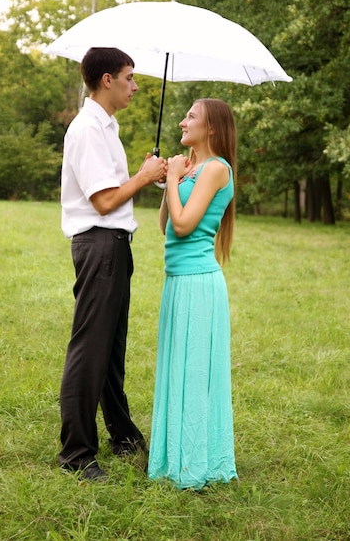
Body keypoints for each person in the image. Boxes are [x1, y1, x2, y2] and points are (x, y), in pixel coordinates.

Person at [59, 47, 167, 481]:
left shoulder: (108, 127)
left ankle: (121, 434)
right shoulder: (86, 129)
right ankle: (77, 454)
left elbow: (112, 192)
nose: (135, 86)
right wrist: (142, 178)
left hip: (116, 245)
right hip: (99, 244)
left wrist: (142, 175)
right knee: (90, 350)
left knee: (112, 350)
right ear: (107, 80)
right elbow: (103, 202)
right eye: (129, 77)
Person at [148, 98, 238, 490]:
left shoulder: (217, 169)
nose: (183, 122)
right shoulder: (192, 169)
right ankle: (175, 457)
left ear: (212, 129)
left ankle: (199, 462)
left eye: (191, 117)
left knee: (196, 372)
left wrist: (173, 180)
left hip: (200, 284)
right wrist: (168, 179)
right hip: (177, 282)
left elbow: (184, 227)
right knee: (178, 369)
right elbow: (165, 223)